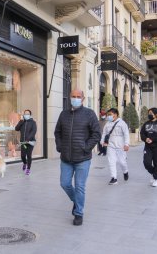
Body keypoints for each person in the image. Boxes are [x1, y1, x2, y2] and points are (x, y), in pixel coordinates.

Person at [54, 89, 101, 226]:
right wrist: (59, 146)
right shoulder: (64, 114)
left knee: (80, 186)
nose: (75, 98)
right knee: (65, 184)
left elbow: (96, 134)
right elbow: (57, 132)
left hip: (83, 158)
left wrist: (86, 147)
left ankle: (79, 213)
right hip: (66, 158)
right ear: (69, 97)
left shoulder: (89, 114)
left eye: (78, 96)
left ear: (83, 98)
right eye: (73, 96)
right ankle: (77, 201)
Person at [100, 108, 130, 185]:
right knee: (111, 161)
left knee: (122, 162)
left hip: (121, 145)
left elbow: (126, 134)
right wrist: (102, 141)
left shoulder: (122, 123)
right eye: (108, 115)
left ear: (116, 114)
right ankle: (114, 178)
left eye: (110, 115)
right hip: (111, 145)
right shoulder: (108, 123)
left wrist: (126, 144)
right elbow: (104, 133)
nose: (108, 116)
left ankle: (125, 171)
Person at [140, 107, 157, 187]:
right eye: (149, 113)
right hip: (148, 146)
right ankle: (154, 173)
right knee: (146, 163)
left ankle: (155, 179)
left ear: (156, 114)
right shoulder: (146, 123)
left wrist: (153, 139)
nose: (149, 115)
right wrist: (146, 139)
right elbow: (142, 134)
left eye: (151, 113)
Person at [15, 109, 37, 175]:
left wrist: (28, 139)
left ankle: (28, 169)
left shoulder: (33, 122)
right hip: (23, 143)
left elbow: (34, 131)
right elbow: (16, 129)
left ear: (30, 115)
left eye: (27, 114)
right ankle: (25, 163)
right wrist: (21, 121)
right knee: (23, 155)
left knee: (29, 155)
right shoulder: (22, 122)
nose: (26, 115)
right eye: (25, 114)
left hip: (30, 142)